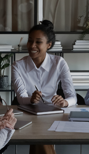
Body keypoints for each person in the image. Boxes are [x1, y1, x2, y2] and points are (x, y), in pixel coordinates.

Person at [11, 20, 76, 154]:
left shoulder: (59, 63)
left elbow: (72, 97)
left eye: (38, 42)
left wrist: (64, 102)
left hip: (53, 114)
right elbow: (21, 98)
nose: (32, 45)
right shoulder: (18, 66)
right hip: (28, 114)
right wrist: (32, 100)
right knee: (41, 135)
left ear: (49, 45)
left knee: (42, 135)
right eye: (30, 41)